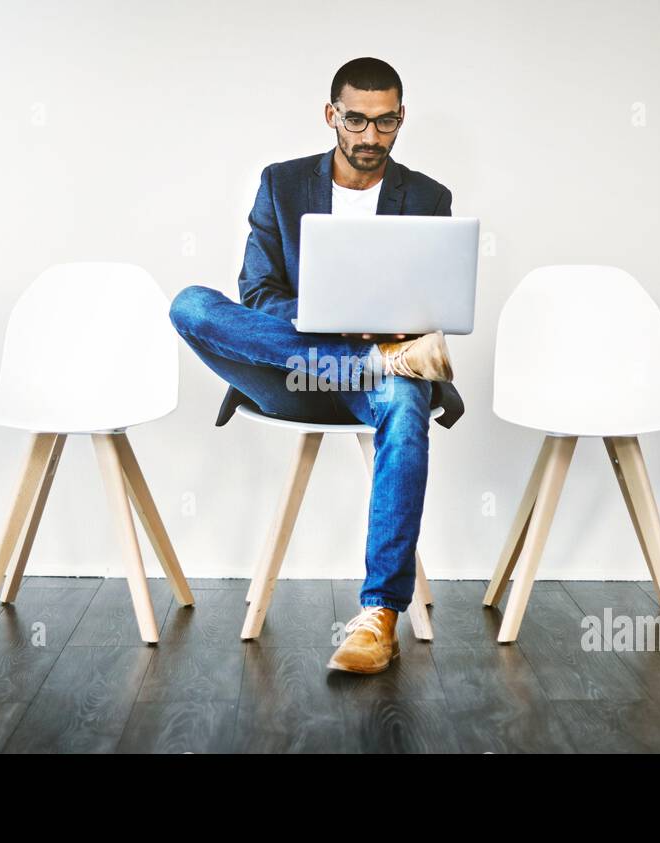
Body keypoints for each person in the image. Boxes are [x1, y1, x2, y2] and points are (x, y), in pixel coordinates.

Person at [169, 56, 462, 674]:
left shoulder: (429, 197)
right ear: (332, 116)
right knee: (192, 305)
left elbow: (434, 302)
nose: (369, 137)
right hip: (291, 377)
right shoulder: (282, 184)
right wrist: (344, 331)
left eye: (386, 124)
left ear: (401, 119)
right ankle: (374, 359)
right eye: (356, 120)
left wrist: (397, 329)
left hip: (378, 382)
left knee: (407, 399)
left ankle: (379, 616)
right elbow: (258, 296)